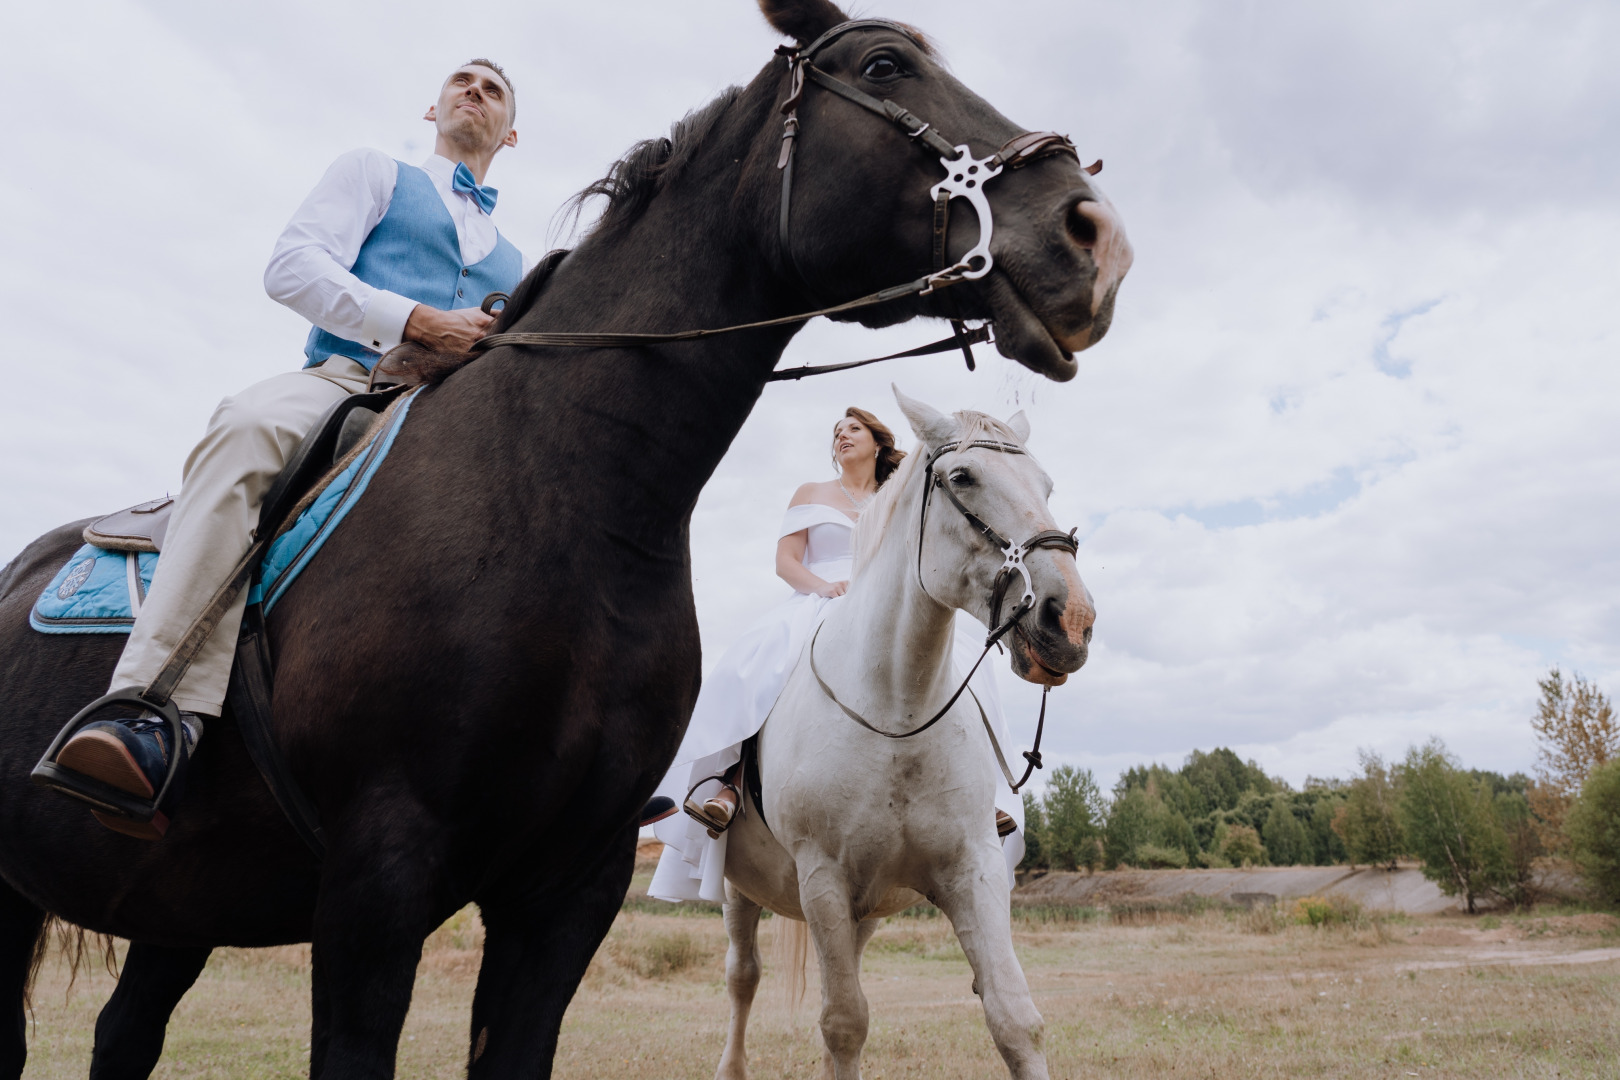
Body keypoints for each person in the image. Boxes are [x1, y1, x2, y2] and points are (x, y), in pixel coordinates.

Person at [53, 61, 527, 839]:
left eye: (494, 89)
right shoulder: (375, 172)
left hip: (459, 422)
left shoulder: (516, 261)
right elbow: (292, 267)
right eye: (462, 80)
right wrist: (416, 319)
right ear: (433, 105)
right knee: (243, 427)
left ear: (512, 134)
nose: (475, 89)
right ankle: (150, 709)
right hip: (346, 379)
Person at [647, 408, 1025, 904]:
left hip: (888, 612)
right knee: (754, 668)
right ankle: (728, 785)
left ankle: (983, 799)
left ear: (876, 441)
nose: (842, 436)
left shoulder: (897, 498)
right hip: (820, 598)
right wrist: (824, 587)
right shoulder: (811, 493)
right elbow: (786, 561)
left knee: (970, 663)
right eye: (837, 432)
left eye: (854, 429)